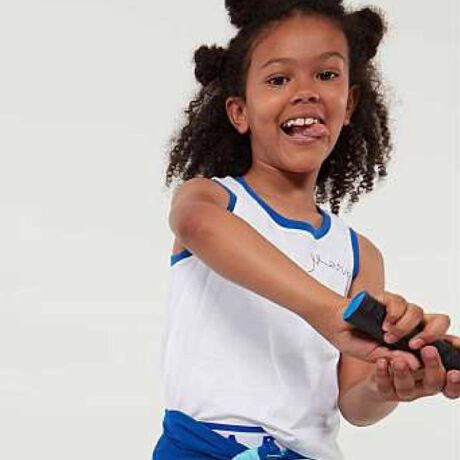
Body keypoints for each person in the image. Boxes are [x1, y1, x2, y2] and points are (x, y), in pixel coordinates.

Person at [152, 1, 460, 459]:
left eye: (327, 75)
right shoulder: (212, 199)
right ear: (239, 111)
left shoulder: (359, 254)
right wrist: (329, 312)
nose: (306, 92)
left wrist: (390, 382)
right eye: (278, 79)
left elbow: (355, 403)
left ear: (349, 104)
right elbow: (197, 226)